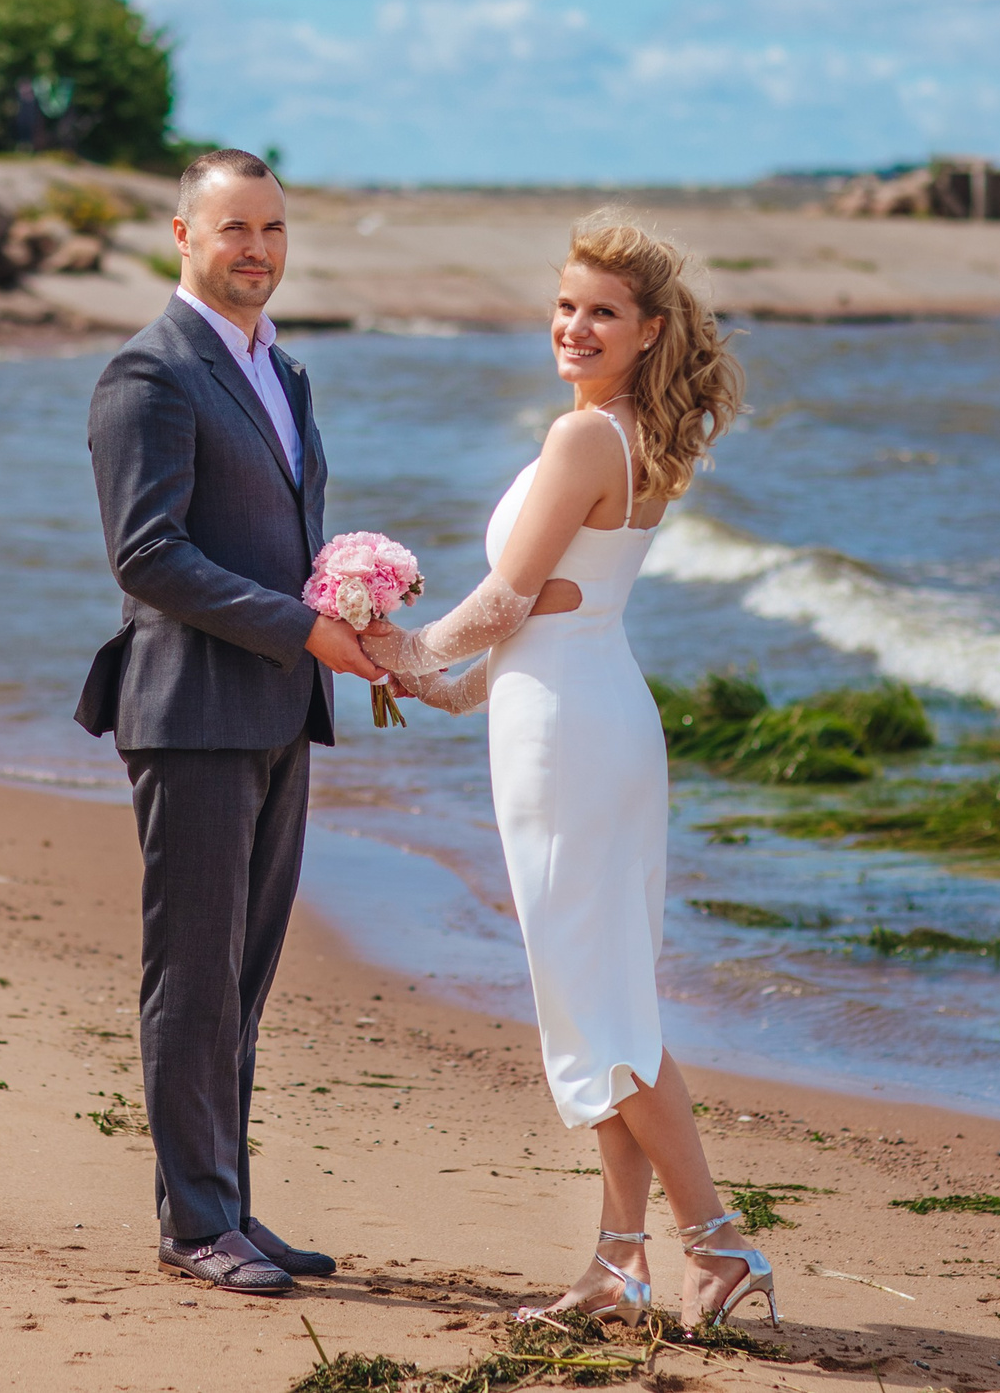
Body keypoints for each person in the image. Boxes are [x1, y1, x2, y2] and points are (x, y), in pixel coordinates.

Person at [360, 215, 774, 1334]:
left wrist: (388, 643)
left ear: (646, 331)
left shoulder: (584, 439)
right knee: (599, 999)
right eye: (564, 304)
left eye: (601, 311)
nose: (574, 326)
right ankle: (616, 1261)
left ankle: (718, 1242)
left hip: (569, 742)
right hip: (587, 712)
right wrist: (441, 684)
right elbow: (554, 616)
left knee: (602, 1010)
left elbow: (504, 603)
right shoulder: (626, 432)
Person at [78, 148, 387, 1295]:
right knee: (191, 975)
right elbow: (148, 555)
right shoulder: (147, 373)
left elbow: (279, 532)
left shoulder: (285, 371)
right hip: (191, 710)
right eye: (232, 229)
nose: (254, 249)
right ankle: (194, 1223)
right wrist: (304, 630)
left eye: (271, 228)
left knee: (244, 977)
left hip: (276, 706)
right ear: (181, 235)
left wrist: (354, 610)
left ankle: (232, 1210)